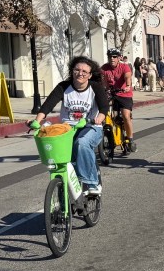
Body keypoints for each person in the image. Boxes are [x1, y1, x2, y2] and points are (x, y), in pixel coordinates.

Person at [33, 56, 109, 194]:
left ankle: (92, 182)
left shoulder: (95, 87)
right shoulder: (64, 86)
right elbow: (47, 105)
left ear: (90, 75)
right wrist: (37, 121)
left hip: (91, 126)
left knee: (82, 143)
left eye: (85, 72)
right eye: (77, 70)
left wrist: (99, 118)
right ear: (72, 71)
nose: (80, 73)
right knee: (61, 155)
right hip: (68, 128)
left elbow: (104, 107)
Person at [102, 48, 136, 153]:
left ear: (119, 58)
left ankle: (130, 139)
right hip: (112, 94)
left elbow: (127, 77)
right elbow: (103, 80)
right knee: (107, 114)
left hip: (124, 94)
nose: (112, 59)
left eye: (114, 57)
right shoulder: (104, 68)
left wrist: (128, 86)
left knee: (126, 116)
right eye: (110, 57)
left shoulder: (124, 67)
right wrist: (104, 89)